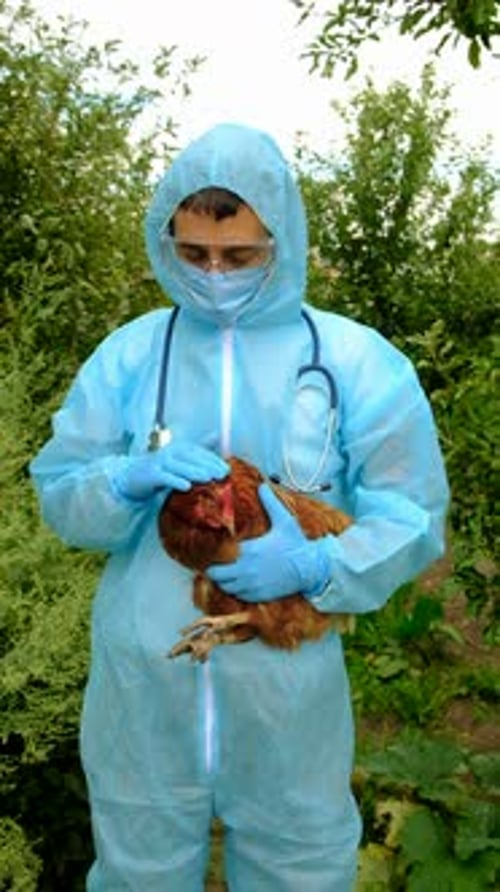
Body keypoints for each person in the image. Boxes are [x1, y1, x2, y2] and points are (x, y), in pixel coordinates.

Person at [30, 122, 449, 891]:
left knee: (300, 862)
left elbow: (413, 517)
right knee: (137, 867)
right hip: (147, 671)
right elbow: (62, 495)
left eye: (239, 256)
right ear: (167, 242)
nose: (213, 274)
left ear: (280, 242)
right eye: (193, 254)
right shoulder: (130, 354)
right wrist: (122, 480)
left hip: (287, 675)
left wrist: (323, 562)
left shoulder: (357, 361)